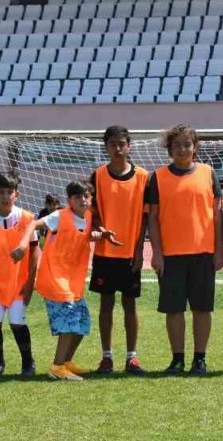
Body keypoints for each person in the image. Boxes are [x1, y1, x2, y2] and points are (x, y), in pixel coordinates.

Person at [13, 181, 120, 381]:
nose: (83, 200)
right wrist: (22, 245)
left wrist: (101, 235)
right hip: (55, 279)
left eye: (86, 196)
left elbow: (82, 236)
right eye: (77, 197)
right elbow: (33, 224)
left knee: (82, 322)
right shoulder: (59, 217)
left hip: (73, 282)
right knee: (69, 323)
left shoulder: (88, 217)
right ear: (69, 200)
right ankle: (57, 367)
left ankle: (67, 361)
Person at [145, 124, 223, 376]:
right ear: (170, 149)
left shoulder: (208, 173)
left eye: (187, 144)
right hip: (170, 256)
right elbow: (153, 219)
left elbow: (217, 216)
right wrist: (156, 253)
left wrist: (219, 250)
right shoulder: (157, 177)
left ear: (195, 147)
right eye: (177, 145)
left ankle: (199, 359)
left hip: (203, 253)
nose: (182, 149)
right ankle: (177, 359)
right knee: (174, 309)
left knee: (202, 308)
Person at [88, 126, 149, 375]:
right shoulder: (98, 175)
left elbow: (145, 218)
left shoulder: (143, 177)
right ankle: (106, 357)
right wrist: (102, 231)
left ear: (129, 145)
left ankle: (132, 357)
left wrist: (138, 249)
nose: (117, 148)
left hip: (129, 254)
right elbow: (91, 214)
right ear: (106, 146)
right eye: (112, 144)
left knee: (130, 305)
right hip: (104, 253)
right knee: (106, 304)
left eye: (121, 143)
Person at [0, 171, 39, 379]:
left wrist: (30, 283)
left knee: (17, 322)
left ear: (16, 194)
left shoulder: (28, 219)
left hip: (19, 284)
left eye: (9, 192)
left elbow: (34, 253)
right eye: (1, 192)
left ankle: (28, 363)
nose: (5, 196)